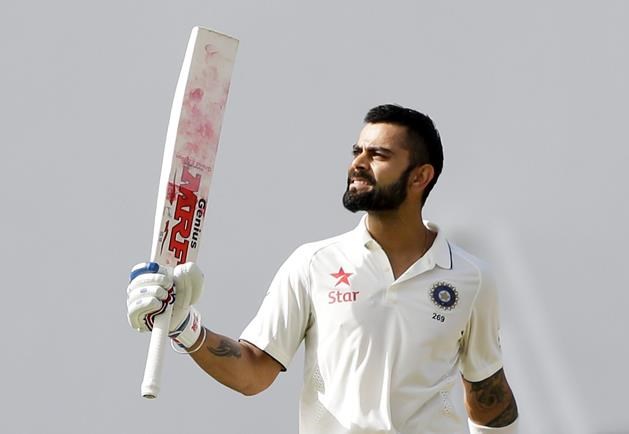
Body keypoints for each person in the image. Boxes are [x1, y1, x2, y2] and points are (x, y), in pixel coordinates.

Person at [127, 104, 519, 434]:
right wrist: (185, 327)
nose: (358, 164)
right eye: (357, 151)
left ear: (420, 176)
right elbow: (253, 373)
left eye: (378, 155)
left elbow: (488, 395)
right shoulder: (313, 263)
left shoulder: (470, 277)